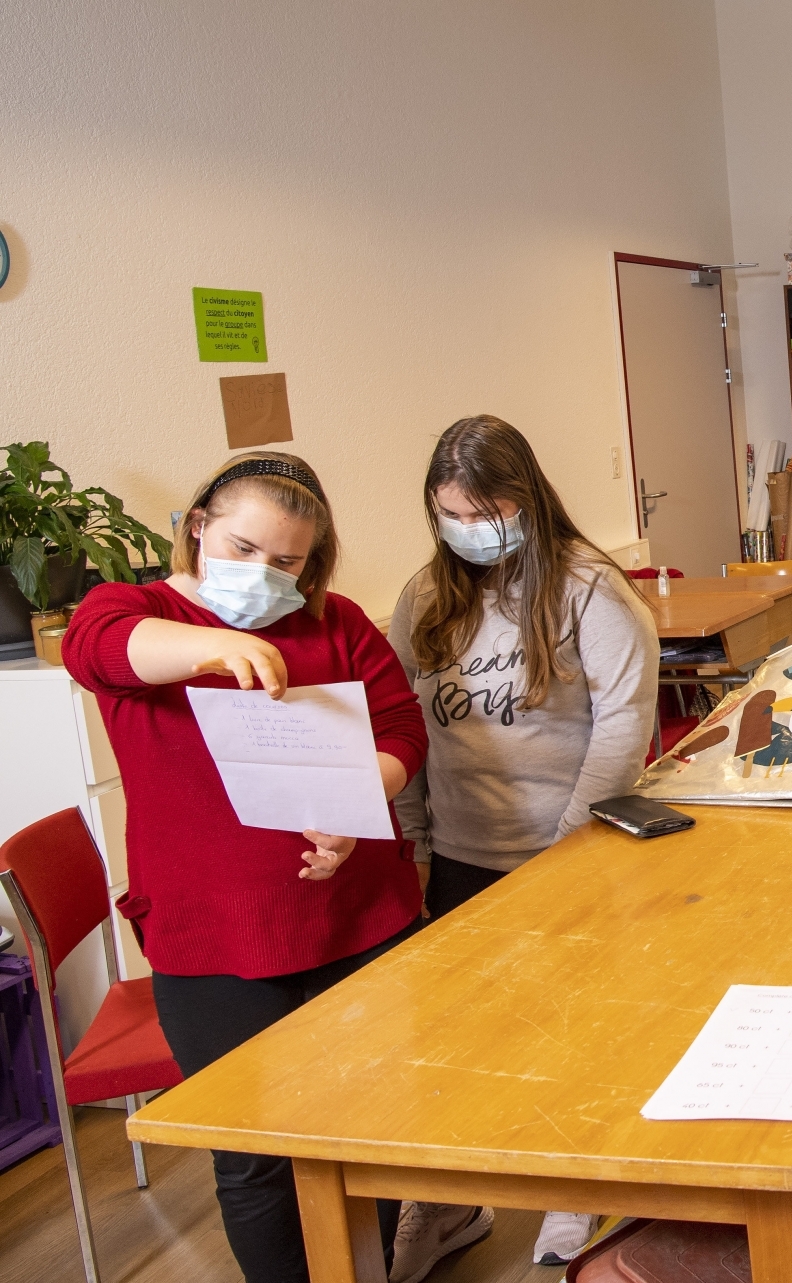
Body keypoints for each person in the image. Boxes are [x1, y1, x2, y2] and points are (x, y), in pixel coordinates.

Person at [63, 453, 426, 1283]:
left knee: (359, 1133)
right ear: (197, 525)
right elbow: (96, 649)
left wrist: (354, 803)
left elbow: (403, 728)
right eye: (243, 548)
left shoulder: (338, 624)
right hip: (216, 940)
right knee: (254, 1155)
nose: (264, 574)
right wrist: (213, 643)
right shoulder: (137, 610)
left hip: (359, 919)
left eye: (288, 562)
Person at [386, 415, 659, 1276]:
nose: (471, 528)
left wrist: (568, 840)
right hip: (465, 853)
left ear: (526, 501)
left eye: (487, 509)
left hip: (568, 848)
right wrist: (417, 839)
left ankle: (570, 1198)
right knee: (465, 1042)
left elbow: (623, 721)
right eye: (450, 512)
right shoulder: (424, 596)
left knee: (568, 1040)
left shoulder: (587, 586)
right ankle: (448, 1201)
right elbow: (405, 724)